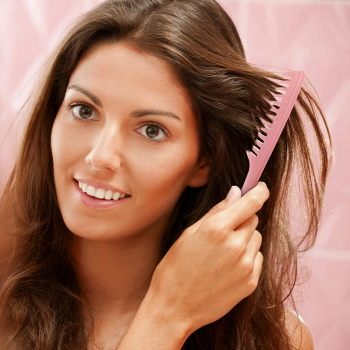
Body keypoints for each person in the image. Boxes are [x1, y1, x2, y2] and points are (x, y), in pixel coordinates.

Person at [0, 0, 332, 349]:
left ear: (204, 162)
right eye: (84, 110)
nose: (100, 156)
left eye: (152, 130)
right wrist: (166, 318)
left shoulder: (275, 340)